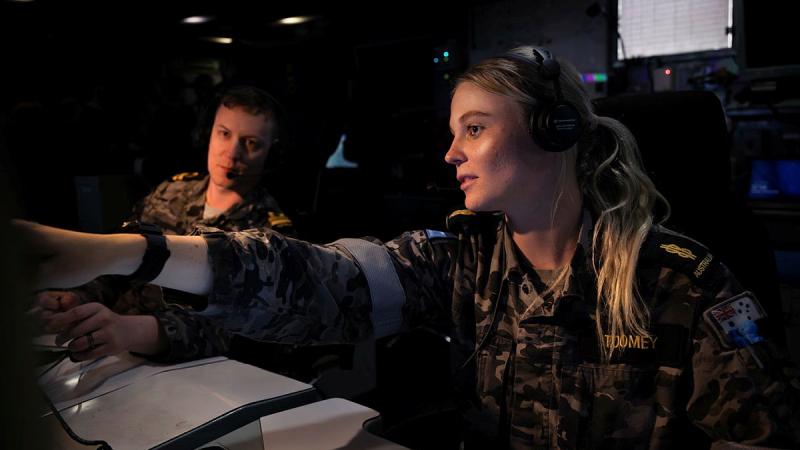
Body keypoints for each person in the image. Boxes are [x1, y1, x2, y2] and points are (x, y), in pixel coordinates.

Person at [22, 47, 799, 449]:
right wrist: (118, 252)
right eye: (452, 132)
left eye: (475, 128)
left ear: (555, 132)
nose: (450, 154)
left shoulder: (683, 285)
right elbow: (317, 282)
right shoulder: (463, 260)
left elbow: (759, 438)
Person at [35, 85, 296, 362]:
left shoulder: (270, 235)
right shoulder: (170, 191)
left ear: (272, 154)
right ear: (207, 133)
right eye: (224, 134)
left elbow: (235, 331)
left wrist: (129, 330)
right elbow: (115, 268)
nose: (232, 153)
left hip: (189, 373)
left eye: (251, 143)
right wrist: (78, 298)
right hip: (111, 349)